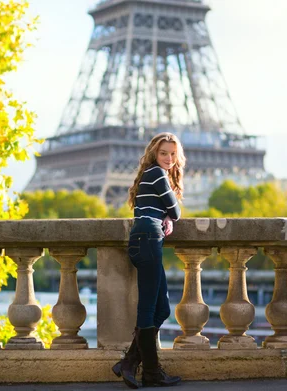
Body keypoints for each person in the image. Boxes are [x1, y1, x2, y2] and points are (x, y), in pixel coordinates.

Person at [112, 132, 185, 389]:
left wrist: (165, 216)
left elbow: (164, 211)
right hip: (147, 240)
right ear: (154, 153)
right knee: (147, 308)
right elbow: (175, 211)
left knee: (162, 308)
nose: (169, 158)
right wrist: (169, 217)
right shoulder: (156, 173)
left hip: (147, 239)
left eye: (173, 154)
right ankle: (151, 372)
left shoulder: (151, 175)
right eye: (164, 153)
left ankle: (131, 360)